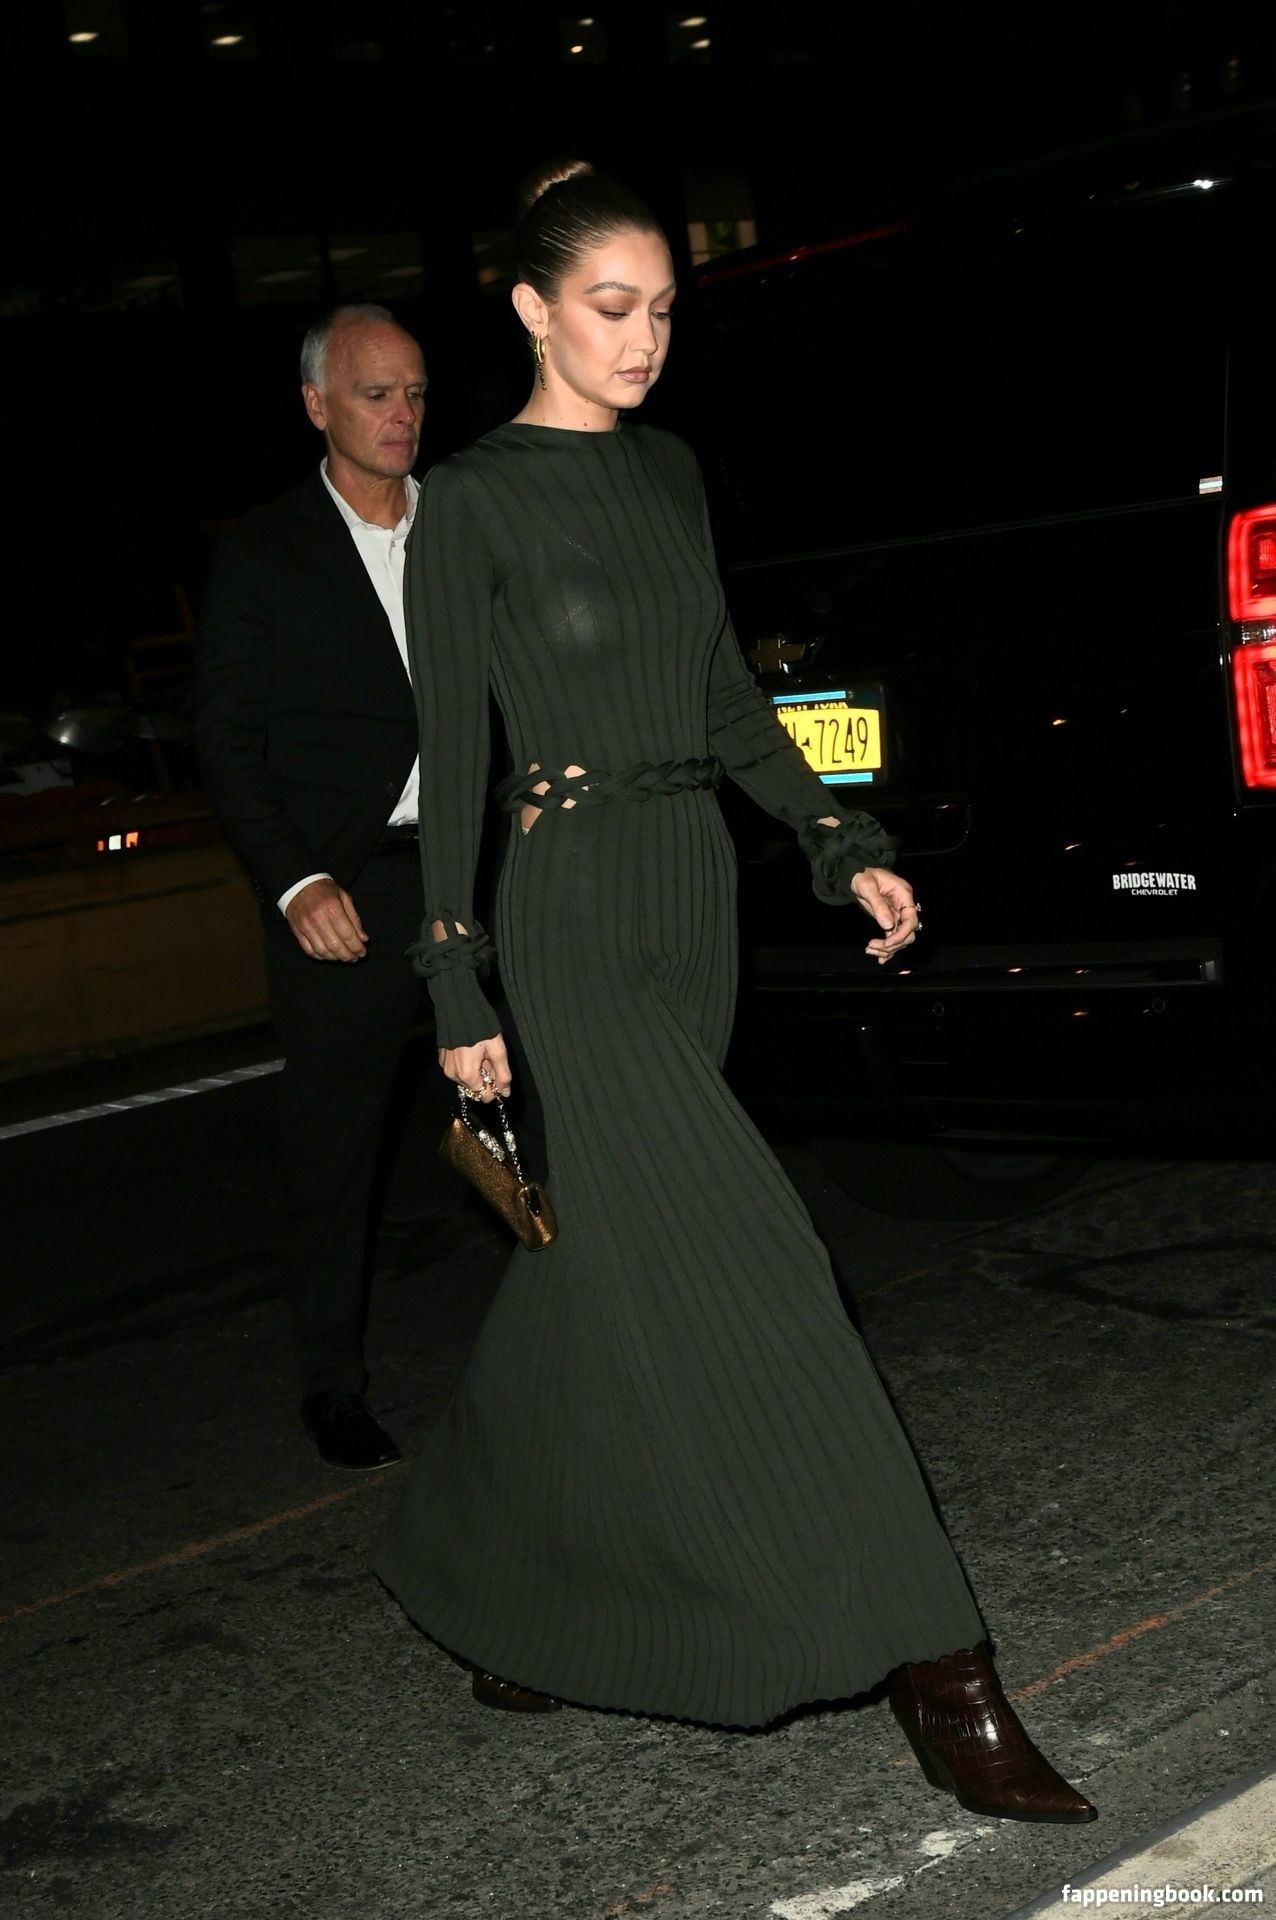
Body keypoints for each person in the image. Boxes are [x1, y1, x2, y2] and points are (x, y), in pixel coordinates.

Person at [372, 165, 1096, 1825]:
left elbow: (722, 702)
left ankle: (505, 1582)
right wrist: (456, 980)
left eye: (664, 310)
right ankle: (944, 1668)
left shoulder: (670, 472)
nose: (643, 340)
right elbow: (455, 753)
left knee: (594, 1273)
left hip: (688, 902)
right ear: (533, 310)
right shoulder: (468, 501)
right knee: (766, 1262)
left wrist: (838, 840)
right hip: (565, 917)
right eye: (610, 308)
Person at [195, 304, 428, 1472]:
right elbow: (226, 742)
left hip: (484, 871)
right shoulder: (266, 553)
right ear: (316, 405)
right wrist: (295, 880)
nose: (401, 415)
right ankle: (332, 1384)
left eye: (416, 393)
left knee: (561, 1105)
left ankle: (608, 1337)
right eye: (376, 394)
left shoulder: (467, 522)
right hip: (350, 889)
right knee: (333, 1155)